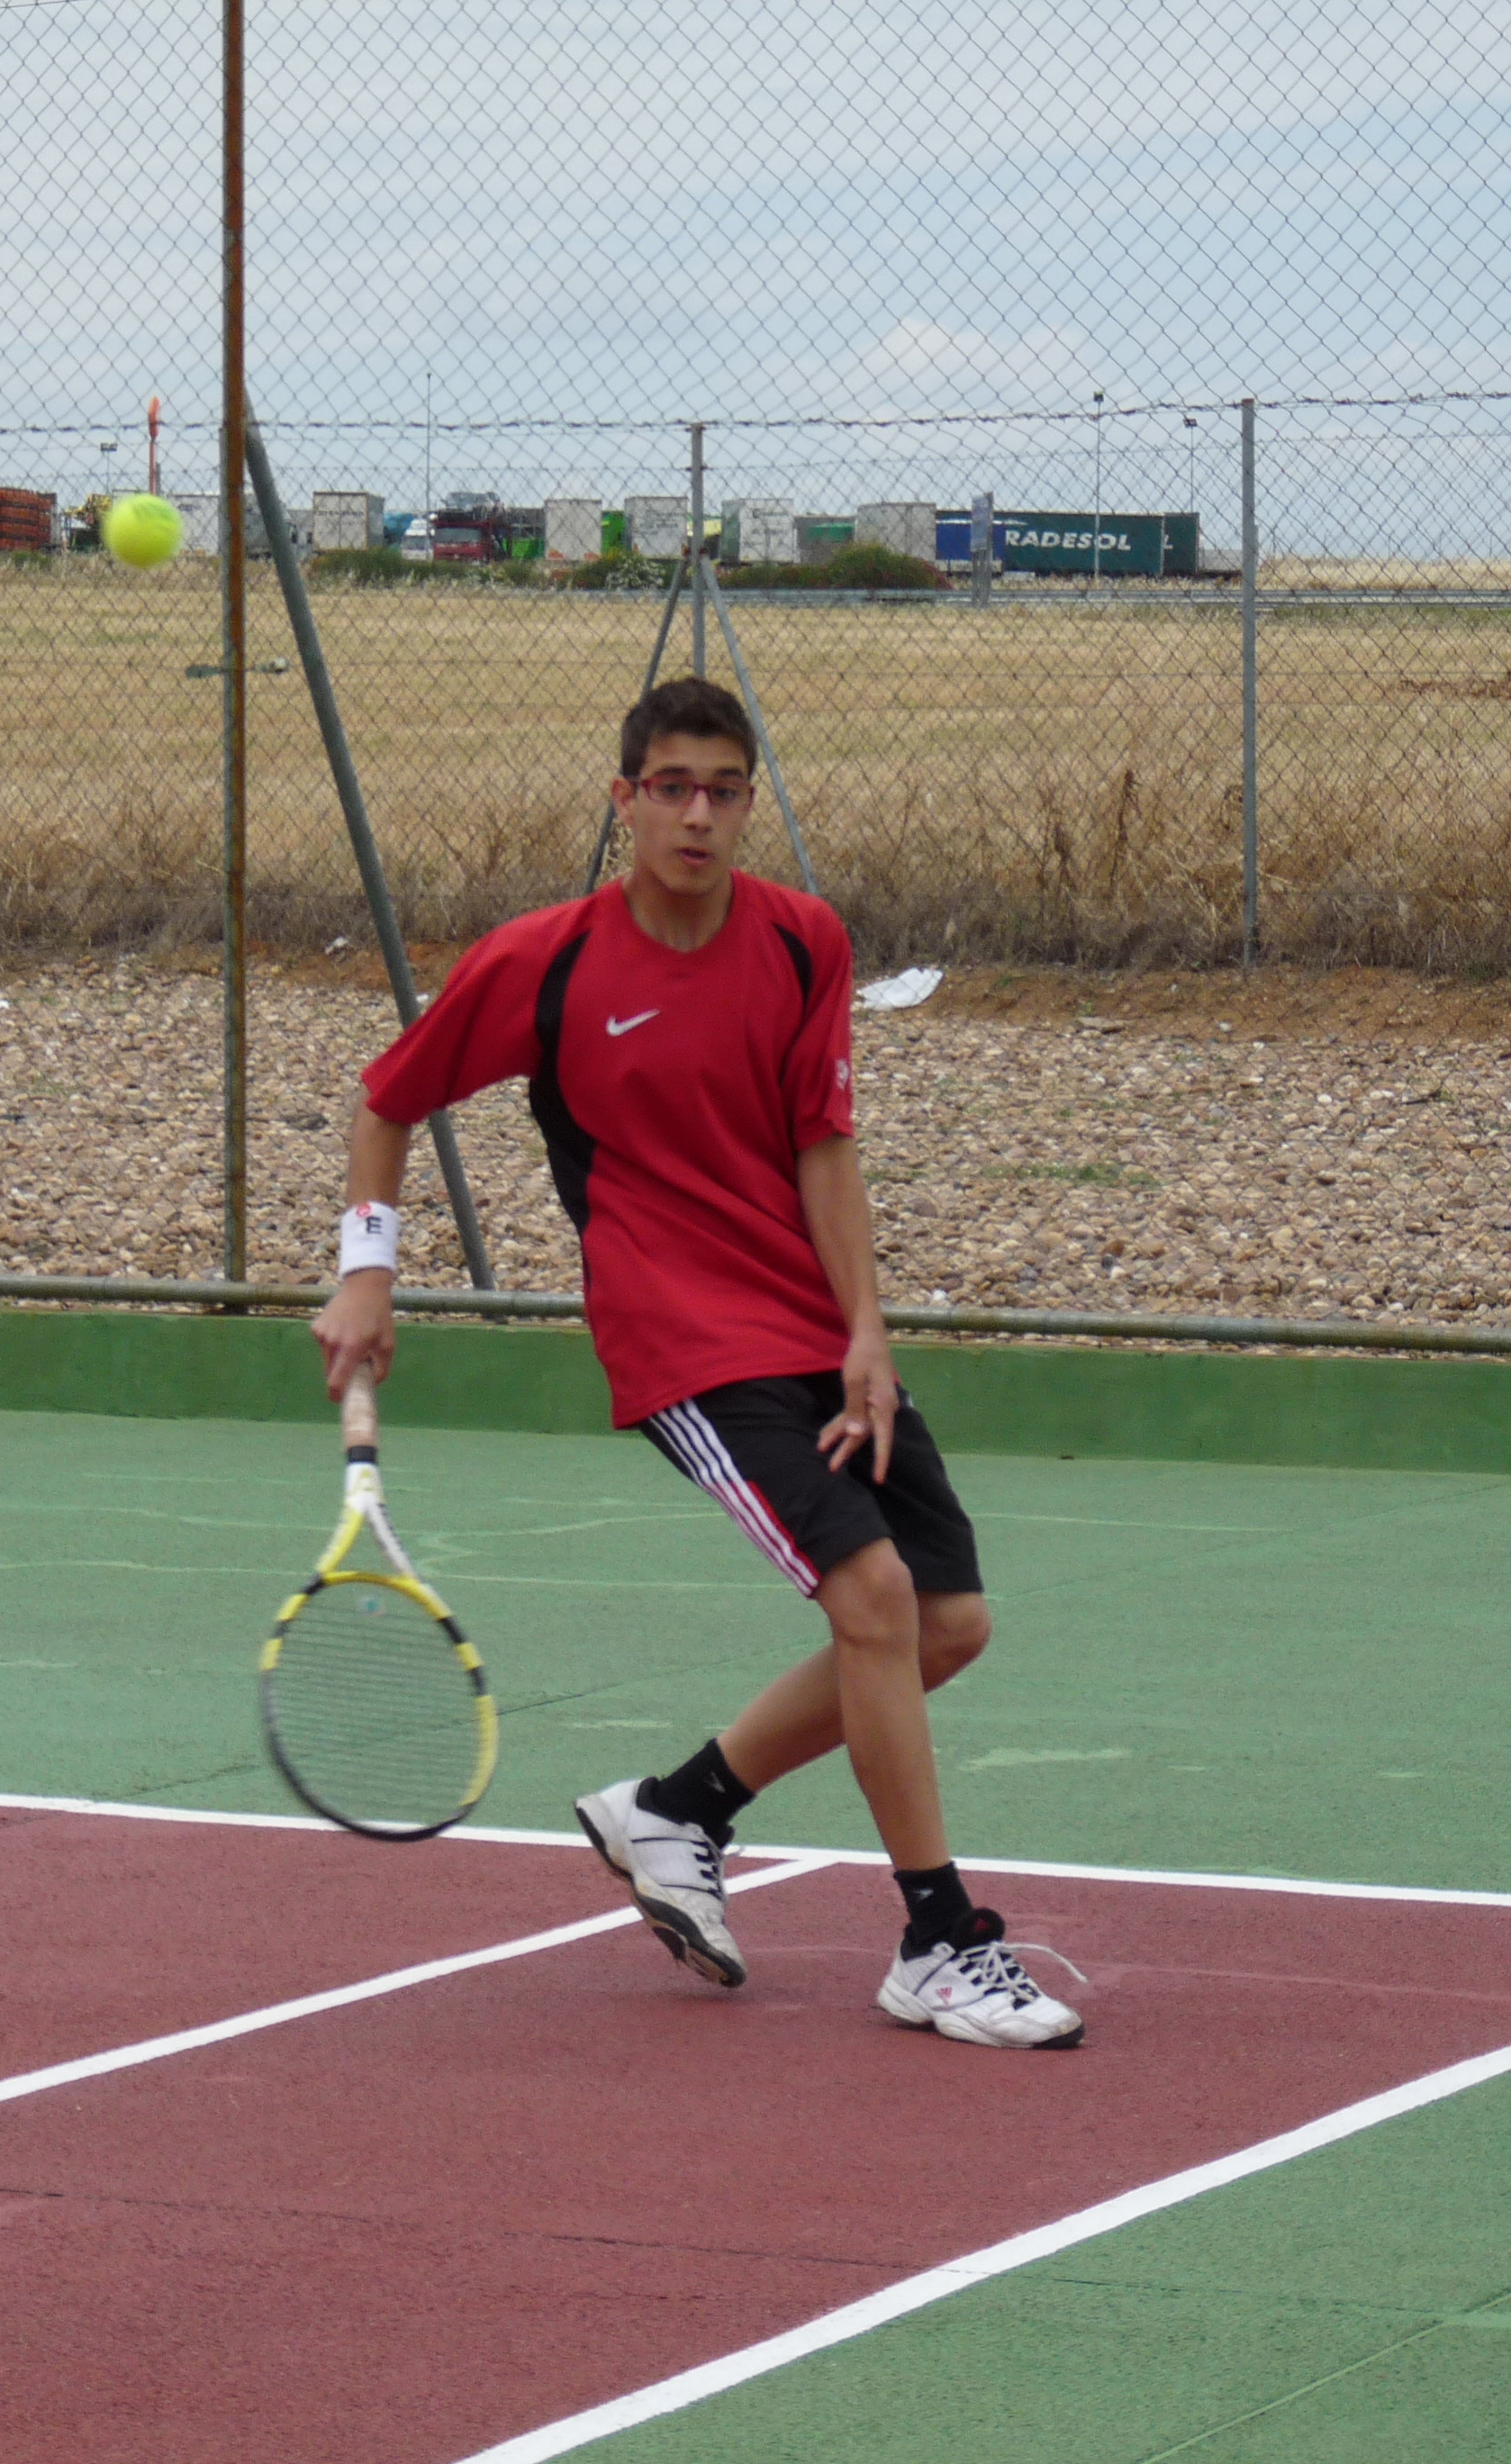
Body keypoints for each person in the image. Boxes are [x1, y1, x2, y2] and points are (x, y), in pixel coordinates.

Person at [310, 676, 1081, 2049]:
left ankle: (679, 1812)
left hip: (809, 1322)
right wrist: (367, 1270)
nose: (698, 816)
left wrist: (866, 1329)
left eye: (724, 791)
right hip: (680, 1338)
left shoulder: (801, 942)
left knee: (947, 1622)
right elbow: (388, 1099)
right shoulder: (544, 965)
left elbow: (824, 1147)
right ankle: (939, 1941)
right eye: (671, 788)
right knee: (873, 1596)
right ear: (626, 801)